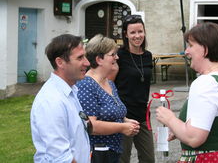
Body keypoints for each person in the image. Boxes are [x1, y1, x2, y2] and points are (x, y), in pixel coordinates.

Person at [156, 22, 218, 163]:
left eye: (191, 45)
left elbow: (194, 138)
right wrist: (178, 128)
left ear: (205, 49)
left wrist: (169, 119)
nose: (186, 51)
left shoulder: (207, 83)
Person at [76, 34, 140, 163]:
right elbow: (91, 125)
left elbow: (112, 114)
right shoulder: (86, 85)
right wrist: (122, 127)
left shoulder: (109, 82)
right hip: (97, 155)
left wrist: (127, 121)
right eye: (113, 54)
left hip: (113, 152)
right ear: (99, 59)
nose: (117, 57)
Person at [30, 34, 91, 163]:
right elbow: (61, 158)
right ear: (60, 62)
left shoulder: (70, 91)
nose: (87, 63)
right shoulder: (51, 101)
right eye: (80, 57)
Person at [114, 15, 155, 163]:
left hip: (143, 115)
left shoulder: (148, 56)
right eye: (132, 32)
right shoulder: (119, 56)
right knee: (122, 159)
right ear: (126, 34)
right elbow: (109, 85)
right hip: (123, 116)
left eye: (140, 31)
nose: (137, 36)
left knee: (149, 158)